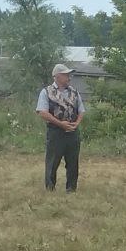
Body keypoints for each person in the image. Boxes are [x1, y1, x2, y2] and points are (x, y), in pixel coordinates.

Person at [36, 63, 85, 192]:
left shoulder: (74, 92)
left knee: (73, 162)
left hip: (72, 132)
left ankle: (71, 189)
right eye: (66, 75)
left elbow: (81, 110)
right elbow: (42, 112)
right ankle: (50, 188)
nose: (69, 78)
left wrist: (77, 123)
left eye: (69, 75)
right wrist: (60, 124)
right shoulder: (46, 92)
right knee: (52, 161)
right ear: (57, 76)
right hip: (55, 132)